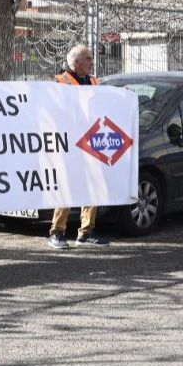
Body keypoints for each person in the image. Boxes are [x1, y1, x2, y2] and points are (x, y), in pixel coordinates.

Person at [48, 44, 110, 249]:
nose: (92, 62)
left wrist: (122, 97)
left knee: (94, 184)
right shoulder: (60, 82)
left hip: (90, 141)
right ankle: (57, 232)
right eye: (88, 59)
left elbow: (106, 102)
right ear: (76, 62)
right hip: (68, 142)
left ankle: (86, 232)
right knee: (67, 186)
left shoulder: (93, 81)